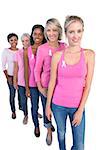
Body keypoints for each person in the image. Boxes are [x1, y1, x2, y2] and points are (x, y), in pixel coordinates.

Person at [46, 15, 95, 150]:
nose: (75, 36)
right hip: (58, 105)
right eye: (71, 32)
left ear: (83, 32)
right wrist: (48, 106)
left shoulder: (89, 55)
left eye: (79, 31)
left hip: (77, 107)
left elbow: (88, 85)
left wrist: (80, 110)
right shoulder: (57, 56)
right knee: (61, 134)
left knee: (79, 146)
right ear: (66, 33)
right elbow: (52, 83)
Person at [34, 18, 66, 145]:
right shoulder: (42, 49)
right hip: (46, 86)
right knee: (47, 109)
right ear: (45, 33)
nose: (51, 33)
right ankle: (48, 130)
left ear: (59, 31)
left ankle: (60, 130)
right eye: (48, 30)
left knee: (58, 111)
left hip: (61, 87)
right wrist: (40, 88)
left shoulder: (64, 46)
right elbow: (36, 70)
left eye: (54, 30)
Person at [24, 25, 46, 137]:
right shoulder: (27, 50)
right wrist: (27, 87)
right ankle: (36, 126)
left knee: (46, 105)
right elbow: (27, 71)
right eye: (35, 33)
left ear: (43, 35)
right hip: (32, 84)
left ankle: (47, 124)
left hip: (44, 84)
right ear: (32, 35)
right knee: (34, 106)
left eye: (40, 34)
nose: (37, 36)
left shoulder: (46, 48)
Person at [1, 33, 21, 119]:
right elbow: (3, 65)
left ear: (17, 40)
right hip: (10, 76)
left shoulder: (20, 51)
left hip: (20, 76)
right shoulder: (6, 51)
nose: (14, 42)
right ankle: (13, 111)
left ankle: (21, 107)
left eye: (15, 39)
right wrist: (7, 77)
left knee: (21, 94)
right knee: (12, 94)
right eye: (11, 40)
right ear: (9, 41)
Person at [13, 33, 30, 124]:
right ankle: (26, 114)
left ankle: (35, 111)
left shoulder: (33, 51)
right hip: (21, 81)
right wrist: (15, 81)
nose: (25, 43)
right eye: (23, 41)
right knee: (23, 100)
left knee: (34, 100)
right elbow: (16, 68)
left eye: (27, 40)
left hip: (31, 81)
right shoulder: (18, 53)